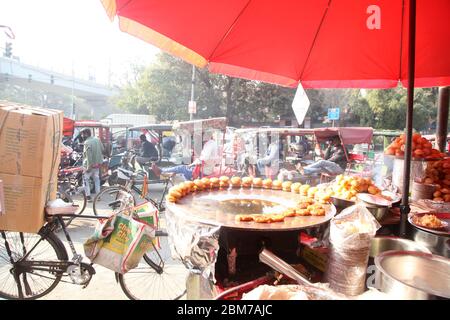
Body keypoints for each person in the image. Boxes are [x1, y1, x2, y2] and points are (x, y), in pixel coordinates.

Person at [152, 131, 219, 180]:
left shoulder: (209, 144)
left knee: (181, 168)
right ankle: (163, 170)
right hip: (206, 168)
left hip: (203, 171)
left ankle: (161, 171)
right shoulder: (211, 143)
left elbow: (204, 159)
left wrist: (192, 164)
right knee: (181, 170)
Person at [81, 129, 104, 201]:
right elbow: (102, 149)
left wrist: (89, 167)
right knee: (97, 180)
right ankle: (98, 196)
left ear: (86, 134)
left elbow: (88, 156)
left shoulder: (87, 142)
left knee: (85, 180)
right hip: (97, 165)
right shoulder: (97, 139)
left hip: (89, 165)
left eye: (82, 134)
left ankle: (88, 197)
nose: (82, 136)